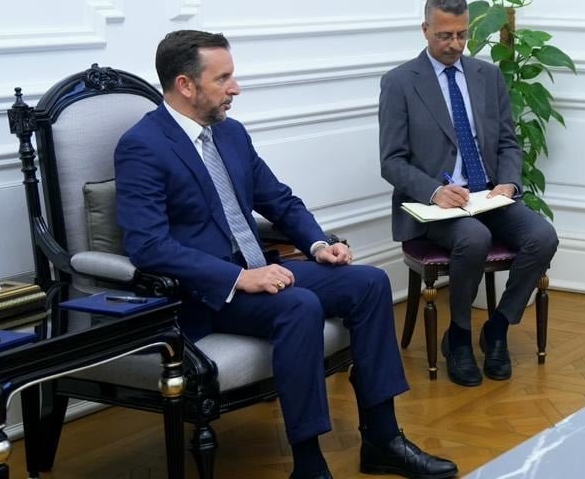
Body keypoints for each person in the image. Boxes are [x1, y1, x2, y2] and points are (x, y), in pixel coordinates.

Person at [115, 30, 457, 479]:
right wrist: (238, 278)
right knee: (299, 306)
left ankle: (383, 438)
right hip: (206, 293)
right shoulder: (142, 145)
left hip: (259, 269)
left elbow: (279, 200)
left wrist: (318, 245)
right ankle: (309, 465)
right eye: (223, 78)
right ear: (185, 85)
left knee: (371, 283)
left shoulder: (230, 134)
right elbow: (147, 245)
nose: (235, 88)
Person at [378, 0, 559, 387]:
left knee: (543, 236)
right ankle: (458, 336)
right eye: (445, 35)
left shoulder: (487, 76)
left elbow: (508, 142)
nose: (455, 44)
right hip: (435, 206)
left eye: (462, 35)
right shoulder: (399, 83)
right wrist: (434, 191)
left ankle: (497, 328)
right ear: (425, 29)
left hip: (487, 196)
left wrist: (508, 183)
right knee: (474, 238)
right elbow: (391, 161)